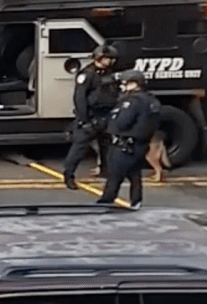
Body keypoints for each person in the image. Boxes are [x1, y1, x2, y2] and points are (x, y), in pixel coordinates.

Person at [96, 70, 161, 209]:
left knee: (114, 176)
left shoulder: (133, 102)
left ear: (135, 84)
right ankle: (136, 202)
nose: (122, 87)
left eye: (125, 83)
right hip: (141, 144)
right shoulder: (152, 101)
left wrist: (109, 122)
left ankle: (105, 202)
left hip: (125, 145)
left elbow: (121, 122)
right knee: (134, 175)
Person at [64, 43, 120, 189]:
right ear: (99, 58)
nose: (111, 61)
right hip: (90, 116)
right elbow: (80, 98)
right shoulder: (87, 74)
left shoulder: (108, 73)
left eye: (111, 59)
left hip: (105, 115)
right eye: (108, 58)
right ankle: (69, 175)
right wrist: (84, 119)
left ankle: (106, 172)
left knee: (106, 147)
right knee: (79, 148)